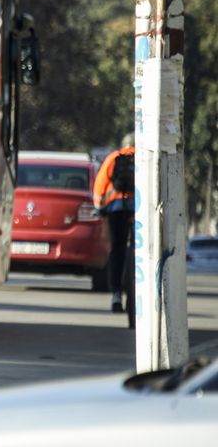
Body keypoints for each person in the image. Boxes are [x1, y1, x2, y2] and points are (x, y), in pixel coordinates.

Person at [93, 134, 136, 313]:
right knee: (138, 250)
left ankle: (116, 294)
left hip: (116, 210)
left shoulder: (114, 158)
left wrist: (99, 208)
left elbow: (100, 185)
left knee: (117, 249)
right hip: (137, 211)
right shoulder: (145, 157)